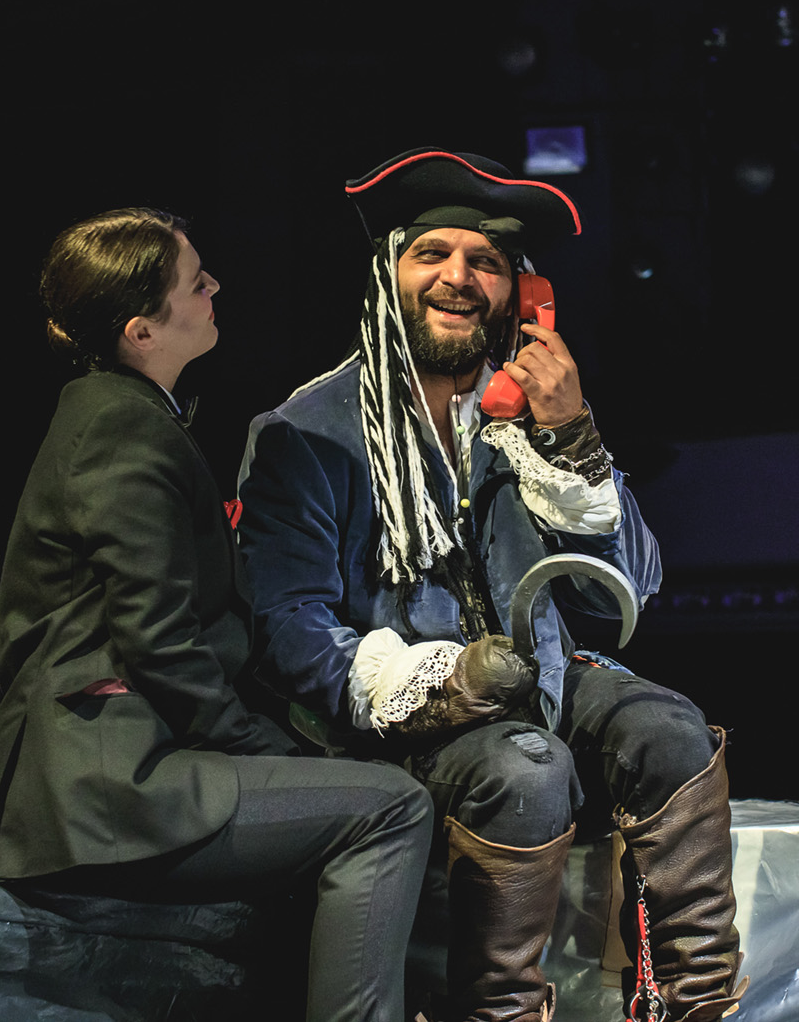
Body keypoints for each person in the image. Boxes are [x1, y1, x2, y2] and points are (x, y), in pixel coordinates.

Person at [237, 151, 746, 1022]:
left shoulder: (527, 417)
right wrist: (435, 682)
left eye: (487, 262)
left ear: (521, 292)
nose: (459, 278)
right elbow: (287, 631)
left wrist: (571, 435)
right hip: (395, 727)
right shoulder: (305, 432)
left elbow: (623, 596)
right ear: (388, 273)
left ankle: (693, 1005)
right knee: (527, 767)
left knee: (668, 726)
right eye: (432, 253)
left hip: (535, 681)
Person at [0, 207, 433, 1022]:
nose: (214, 285)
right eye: (193, 281)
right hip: (110, 787)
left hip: (116, 769)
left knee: (356, 792)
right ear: (141, 330)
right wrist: (256, 746)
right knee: (392, 805)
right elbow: (157, 635)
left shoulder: (120, 410)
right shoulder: (122, 425)